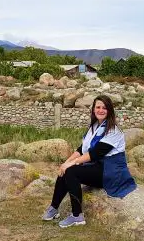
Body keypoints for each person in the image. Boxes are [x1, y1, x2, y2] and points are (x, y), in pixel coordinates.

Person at [42, 94, 137, 228]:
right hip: (98, 167)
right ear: (93, 109)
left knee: (71, 171)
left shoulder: (113, 131)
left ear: (110, 110)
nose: (101, 110)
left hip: (110, 171)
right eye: (98, 107)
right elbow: (82, 149)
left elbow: (95, 153)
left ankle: (77, 216)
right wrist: (66, 162)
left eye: (105, 108)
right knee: (64, 170)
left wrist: (71, 164)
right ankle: (54, 208)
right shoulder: (94, 127)